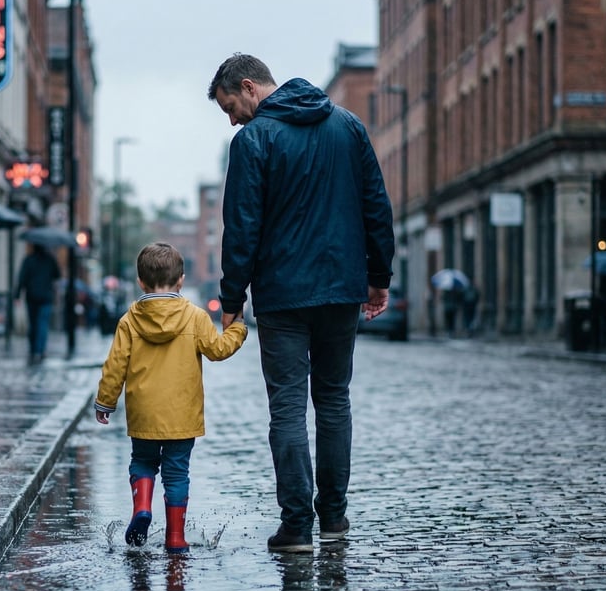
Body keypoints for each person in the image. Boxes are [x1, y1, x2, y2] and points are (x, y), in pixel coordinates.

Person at [208, 53, 395, 553]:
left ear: (249, 87)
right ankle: (333, 519)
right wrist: (379, 277)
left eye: (230, 106)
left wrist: (231, 300)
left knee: (287, 407)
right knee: (334, 400)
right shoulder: (347, 126)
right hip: (340, 288)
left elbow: (242, 226)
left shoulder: (253, 140)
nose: (232, 119)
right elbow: (376, 205)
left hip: (283, 296)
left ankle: (296, 527)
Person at [94, 242, 248, 553]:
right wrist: (239, 329)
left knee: (142, 462)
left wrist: (105, 402)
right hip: (182, 415)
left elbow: (115, 365)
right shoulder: (195, 316)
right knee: (177, 473)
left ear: (141, 282)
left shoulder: (129, 320)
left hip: (143, 413)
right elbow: (217, 350)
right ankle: (176, 537)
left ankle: (142, 509)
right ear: (180, 280)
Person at [16, 242, 61, 364]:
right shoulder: (50, 260)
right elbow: (57, 275)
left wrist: (17, 295)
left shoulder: (28, 260)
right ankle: (40, 351)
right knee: (42, 324)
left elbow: (22, 278)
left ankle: (33, 349)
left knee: (33, 324)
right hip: (46, 297)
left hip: (32, 296)